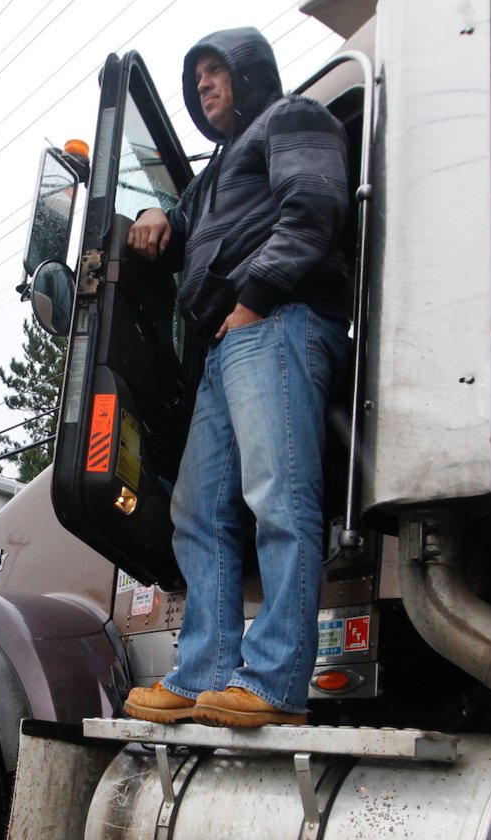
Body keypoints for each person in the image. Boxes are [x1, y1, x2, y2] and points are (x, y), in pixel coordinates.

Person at [122, 27, 350, 729]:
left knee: (279, 497)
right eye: (196, 80)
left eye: (215, 72)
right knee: (196, 513)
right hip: (229, 341)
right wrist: (156, 211)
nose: (204, 86)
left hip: (277, 319)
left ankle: (277, 683)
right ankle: (205, 675)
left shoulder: (294, 118)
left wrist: (254, 300)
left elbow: (313, 207)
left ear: (249, 74)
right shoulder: (216, 172)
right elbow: (180, 219)